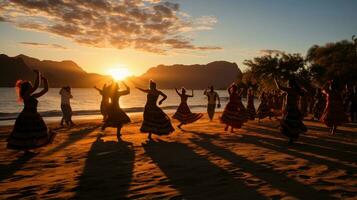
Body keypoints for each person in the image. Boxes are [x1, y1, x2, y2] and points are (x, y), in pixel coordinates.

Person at [7, 70, 56, 154]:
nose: (31, 87)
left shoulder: (33, 96)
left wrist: (45, 81)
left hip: (34, 115)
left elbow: (45, 90)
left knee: (34, 133)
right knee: (28, 133)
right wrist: (38, 74)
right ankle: (27, 150)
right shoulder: (25, 95)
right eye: (30, 86)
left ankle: (28, 149)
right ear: (26, 88)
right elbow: (36, 86)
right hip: (27, 116)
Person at [275, 78, 307, 144]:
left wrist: (275, 80)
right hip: (295, 109)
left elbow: (280, 87)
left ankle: (291, 138)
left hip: (291, 109)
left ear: (290, 84)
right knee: (293, 123)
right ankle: (292, 138)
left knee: (289, 123)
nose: (287, 84)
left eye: (288, 83)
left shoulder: (290, 90)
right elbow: (305, 92)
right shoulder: (297, 90)